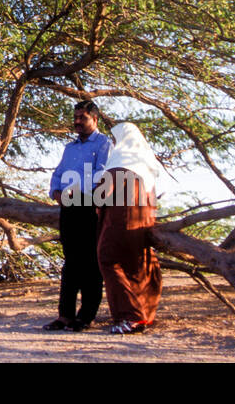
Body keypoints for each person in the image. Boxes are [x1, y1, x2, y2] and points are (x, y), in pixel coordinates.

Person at [43, 100, 112, 332]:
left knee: (91, 262)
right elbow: (58, 173)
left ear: (95, 119)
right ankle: (65, 316)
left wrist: (78, 192)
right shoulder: (69, 148)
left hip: (89, 206)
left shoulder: (104, 144)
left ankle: (86, 316)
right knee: (71, 262)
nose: (77, 122)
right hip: (69, 209)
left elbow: (101, 173)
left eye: (82, 117)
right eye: (76, 117)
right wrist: (56, 192)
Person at [96, 122, 163, 335]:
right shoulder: (147, 164)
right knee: (139, 264)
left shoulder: (119, 159)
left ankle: (130, 316)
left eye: (116, 139)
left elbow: (103, 195)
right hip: (144, 222)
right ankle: (145, 315)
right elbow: (158, 195)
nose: (114, 143)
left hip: (120, 220)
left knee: (108, 259)